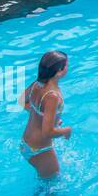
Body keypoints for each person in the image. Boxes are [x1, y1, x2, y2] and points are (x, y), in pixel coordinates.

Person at [19, 51, 72, 179]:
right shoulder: (52, 96)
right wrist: (66, 130)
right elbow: (47, 132)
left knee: (46, 186)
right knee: (52, 191)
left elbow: (22, 101)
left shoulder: (37, 84)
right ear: (59, 71)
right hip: (40, 150)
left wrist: (48, 120)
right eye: (66, 65)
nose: (68, 67)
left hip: (25, 143)